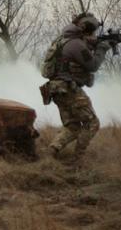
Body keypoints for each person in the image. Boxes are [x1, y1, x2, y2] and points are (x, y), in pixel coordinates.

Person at [42, 12, 111, 162]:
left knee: (73, 127)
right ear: (87, 28)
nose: (94, 33)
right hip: (68, 89)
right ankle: (77, 161)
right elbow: (92, 65)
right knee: (92, 123)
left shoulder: (63, 39)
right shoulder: (76, 44)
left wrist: (96, 43)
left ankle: (51, 152)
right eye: (93, 30)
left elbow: (80, 51)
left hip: (56, 89)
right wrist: (102, 48)